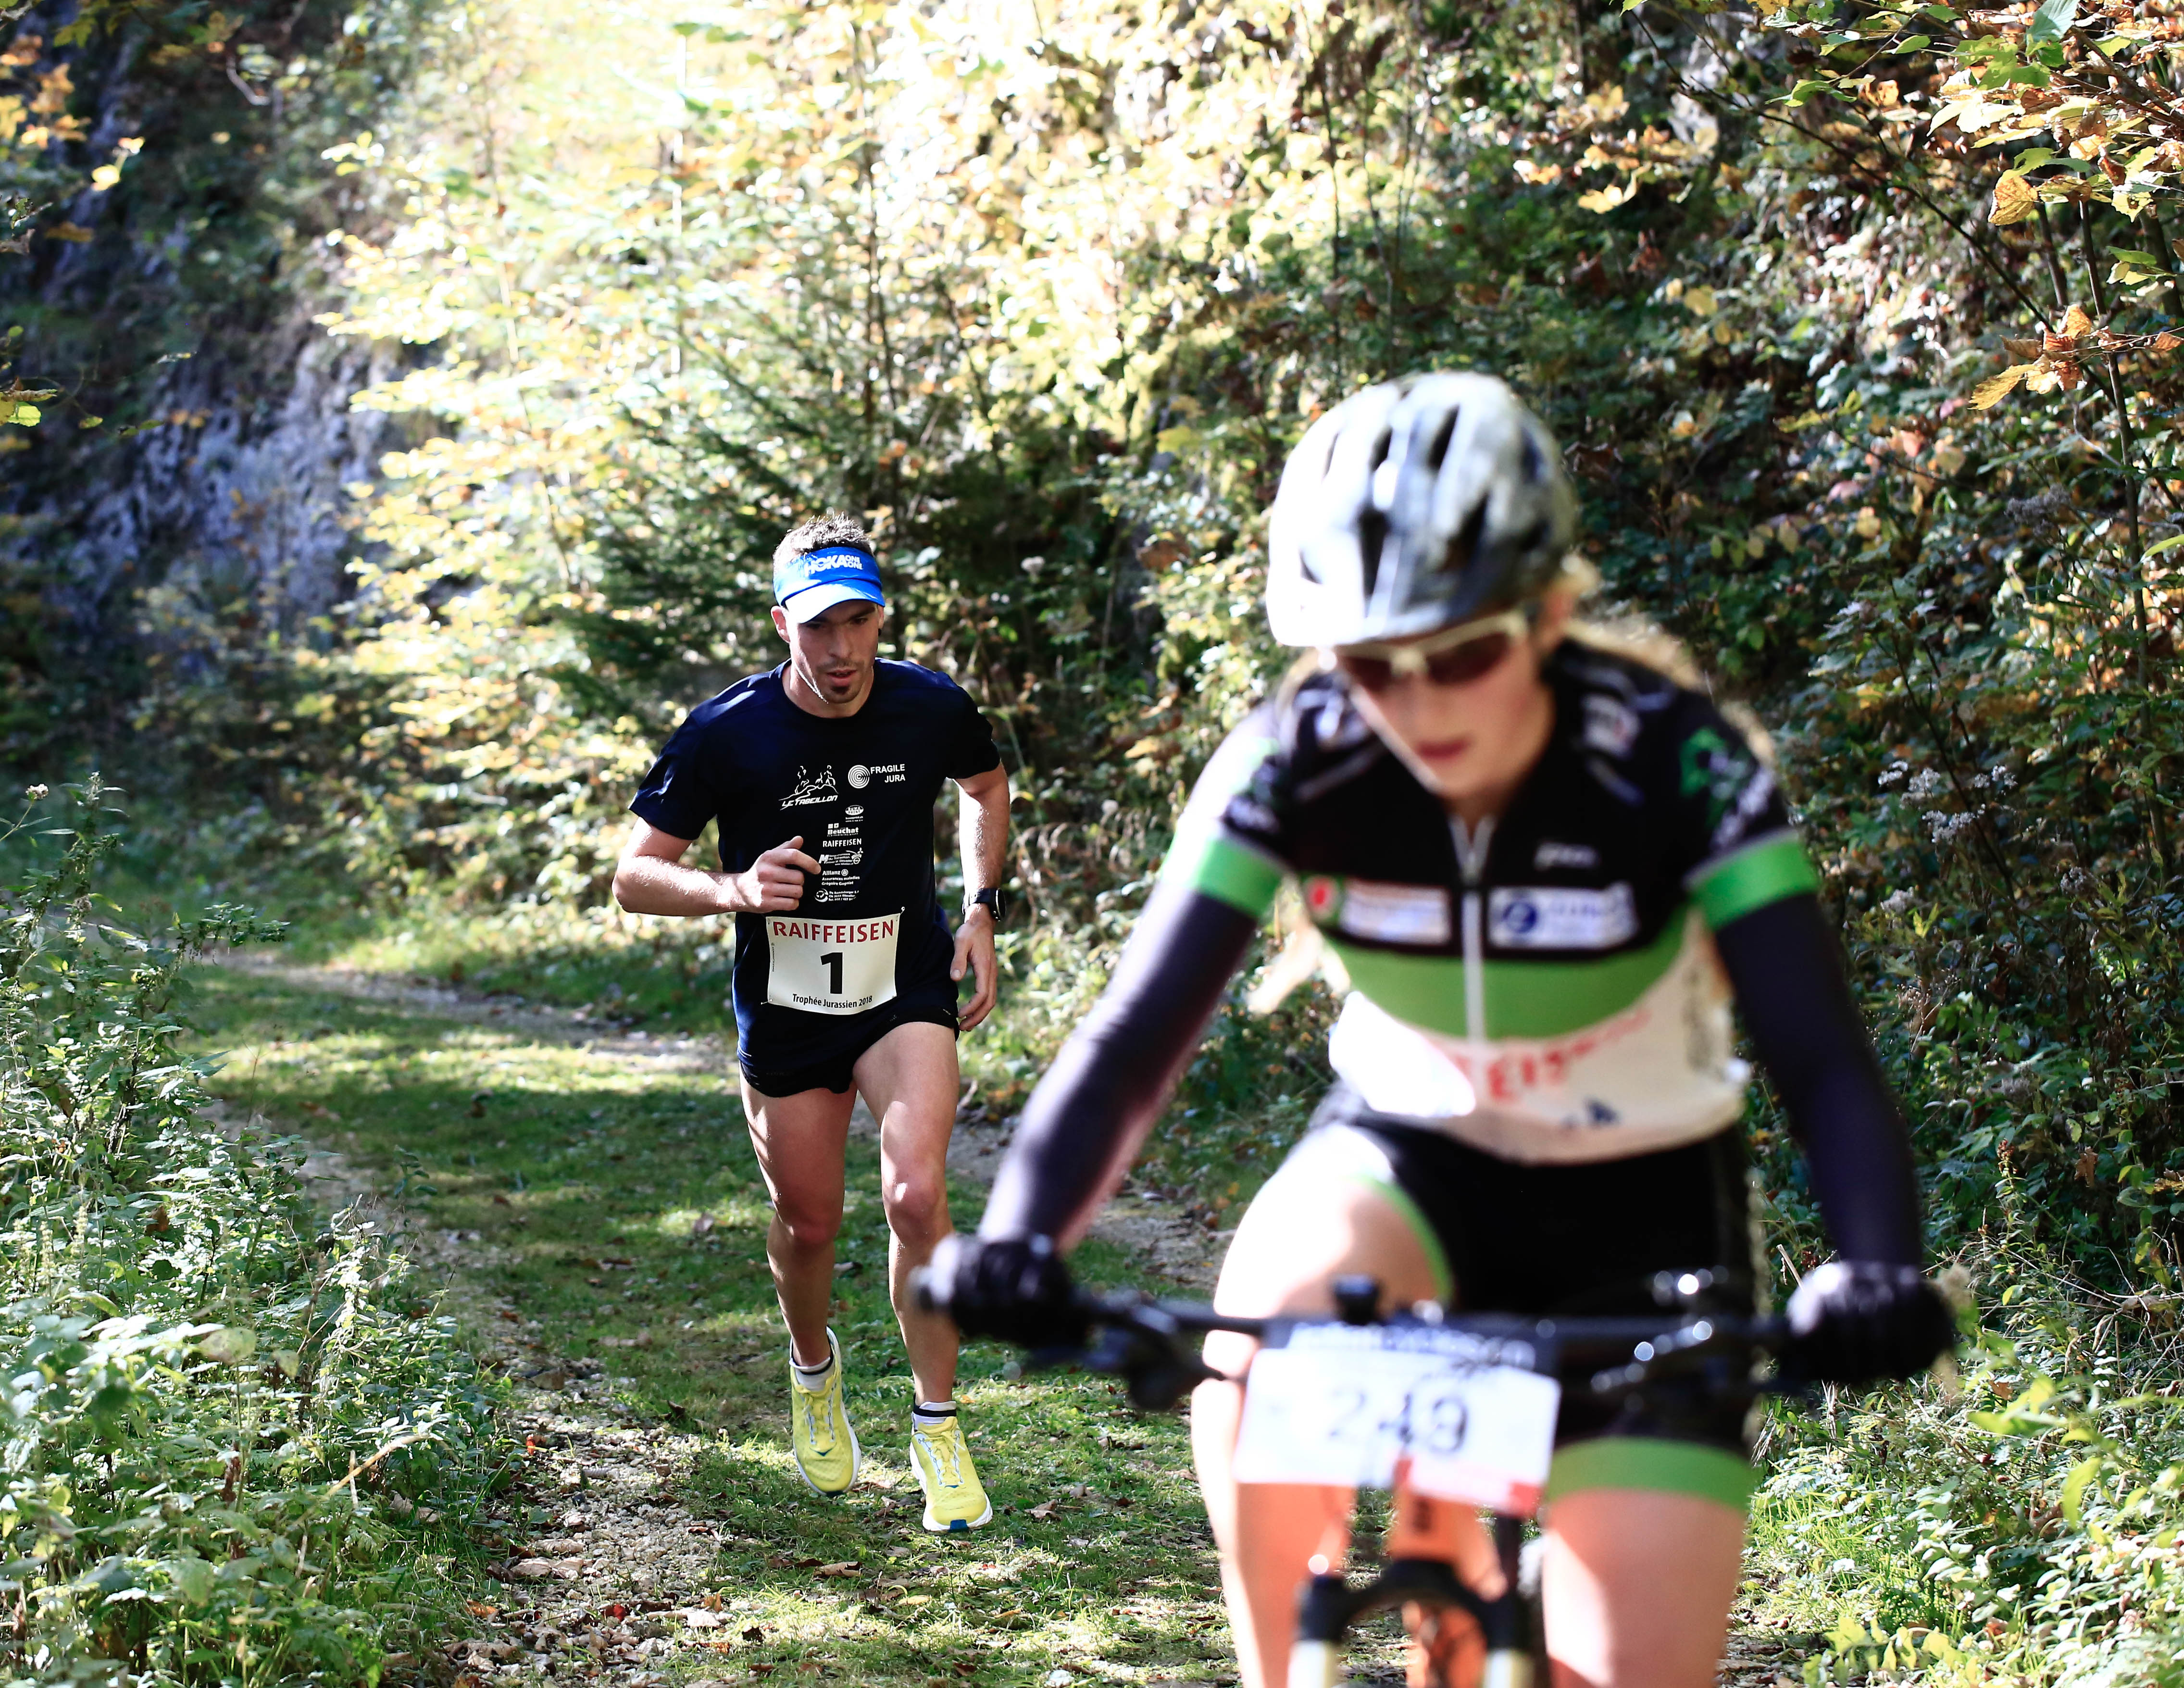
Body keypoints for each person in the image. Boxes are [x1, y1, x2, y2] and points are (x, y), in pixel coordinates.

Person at [924, 375, 1954, 1684]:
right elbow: (1136, 1037)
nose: (1416, 704)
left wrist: (1880, 1269)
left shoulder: (1674, 760)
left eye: (1461, 653)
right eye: (1368, 665)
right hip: (1402, 1163)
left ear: (1549, 613)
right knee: (1257, 1343)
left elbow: (1820, 1057)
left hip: (1644, 1213)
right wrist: (1022, 1237)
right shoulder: (1294, 757)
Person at [612, 513, 1012, 1532]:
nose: (841, 650)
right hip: (789, 1003)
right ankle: (813, 1370)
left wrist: (980, 908)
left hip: (902, 984)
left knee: (918, 1194)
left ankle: (937, 1424)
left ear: (880, 617)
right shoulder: (726, 731)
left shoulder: (928, 704)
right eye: (819, 626)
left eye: (858, 622)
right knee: (810, 1222)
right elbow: (633, 877)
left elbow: (984, 783)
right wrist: (733, 889)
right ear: (782, 622)